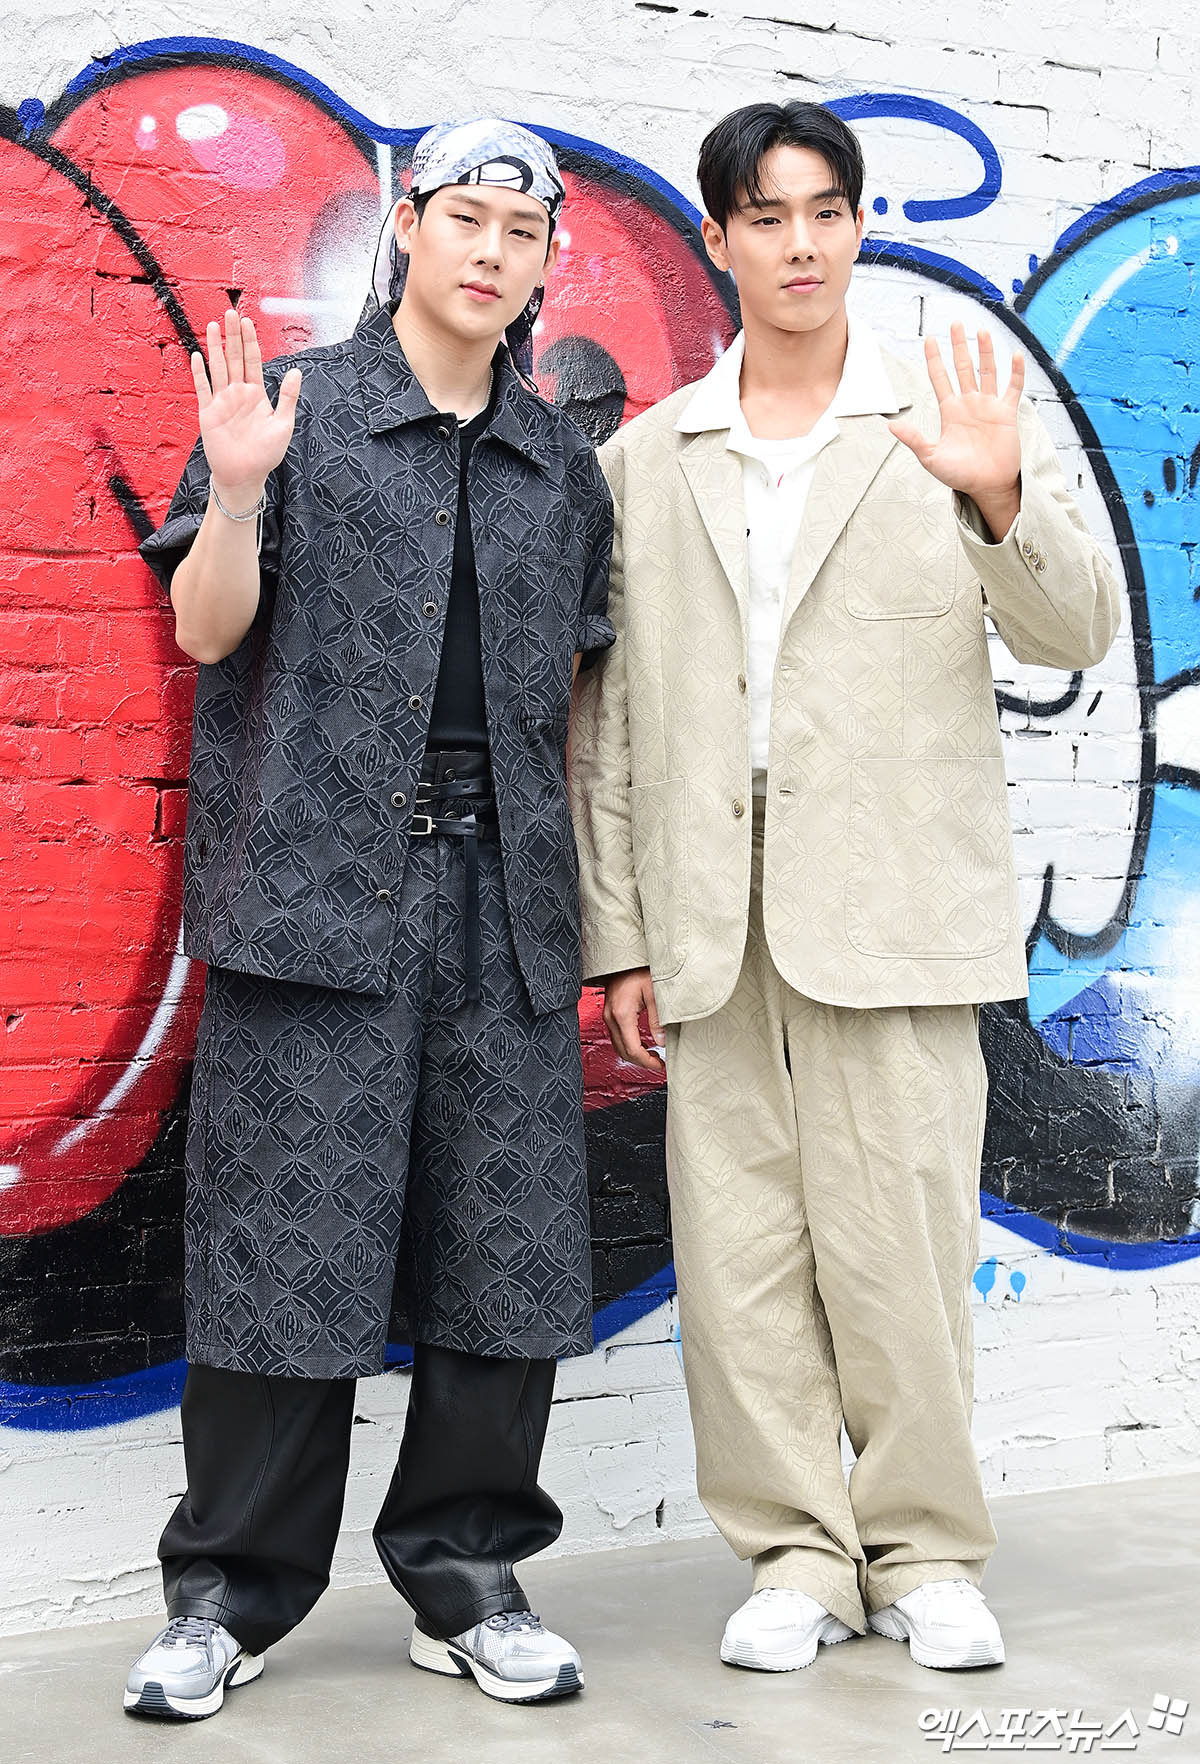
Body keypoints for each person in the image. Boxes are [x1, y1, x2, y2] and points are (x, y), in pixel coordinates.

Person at [569, 100, 1119, 1674]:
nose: (801, 243)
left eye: (826, 211)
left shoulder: (947, 417)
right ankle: (795, 1556)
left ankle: (926, 1552)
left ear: (860, 225)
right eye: (767, 216)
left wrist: (1000, 499)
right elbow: (608, 724)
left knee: (900, 1254)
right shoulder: (647, 459)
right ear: (720, 238)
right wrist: (619, 935)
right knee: (740, 1261)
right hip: (708, 912)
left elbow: (1077, 630)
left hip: (896, 908)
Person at [124, 118, 614, 1720]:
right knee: (281, 1250)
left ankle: (467, 1578)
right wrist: (238, 496)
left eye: (519, 233)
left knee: (505, 1254)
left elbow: (575, 700)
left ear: (544, 260)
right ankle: (230, 1596)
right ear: (409, 226)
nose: (489, 251)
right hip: (310, 897)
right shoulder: (295, 414)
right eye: (463, 218)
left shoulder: (559, 464)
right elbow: (207, 636)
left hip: (505, 904)